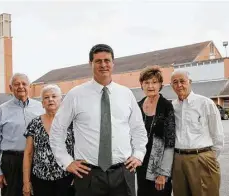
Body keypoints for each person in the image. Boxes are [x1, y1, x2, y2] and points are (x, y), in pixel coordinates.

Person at [49, 44, 147, 196]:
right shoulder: (76, 95)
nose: (103, 65)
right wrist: (66, 161)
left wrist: (139, 154)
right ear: (91, 64)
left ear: (113, 63)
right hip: (88, 174)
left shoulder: (126, 94)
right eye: (98, 61)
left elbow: (138, 128)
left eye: (107, 60)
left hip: (123, 173)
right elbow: (57, 130)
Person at [0, 73, 44, 196]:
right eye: (16, 84)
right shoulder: (2, 110)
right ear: (10, 87)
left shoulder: (40, 108)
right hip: (12, 162)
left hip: (37, 161)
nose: (21, 87)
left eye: (24, 84)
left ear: (29, 86)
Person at [171, 70, 224, 196]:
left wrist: (207, 157)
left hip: (202, 157)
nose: (179, 85)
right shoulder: (172, 107)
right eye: (175, 82)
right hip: (178, 160)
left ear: (189, 82)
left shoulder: (206, 103)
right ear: (171, 85)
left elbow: (218, 135)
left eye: (182, 81)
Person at [23, 84, 75, 196]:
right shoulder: (35, 123)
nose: (50, 99)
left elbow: (79, 150)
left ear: (61, 101)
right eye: (46, 97)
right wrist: (26, 182)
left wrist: (78, 177)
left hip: (66, 178)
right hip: (40, 180)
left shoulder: (71, 122)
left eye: (54, 96)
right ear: (42, 103)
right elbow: (28, 153)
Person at [136, 66, 175, 196]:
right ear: (141, 85)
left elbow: (170, 141)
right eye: (146, 82)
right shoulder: (138, 105)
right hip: (141, 164)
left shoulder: (166, 106)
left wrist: (163, 173)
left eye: (154, 82)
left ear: (160, 85)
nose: (150, 86)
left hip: (159, 166)